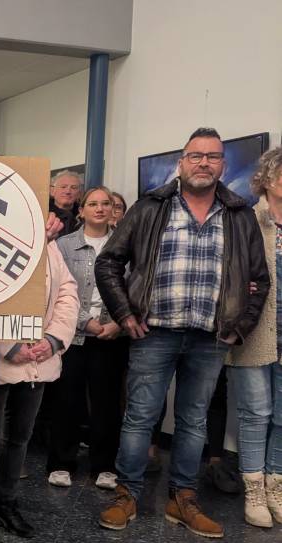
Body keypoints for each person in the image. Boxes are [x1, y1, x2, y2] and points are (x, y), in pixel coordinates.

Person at [96, 127, 270, 538]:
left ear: (222, 165)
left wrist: (240, 327)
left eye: (212, 156)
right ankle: (127, 494)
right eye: (195, 155)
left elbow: (259, 280)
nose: (203, 163)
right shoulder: (150, 206)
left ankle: (182, 498)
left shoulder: (239, 214)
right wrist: (124, 314)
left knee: (193, 422)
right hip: (153, 332)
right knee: (140, 417)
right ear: (182, 161)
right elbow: (109, 262)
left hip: (211, 339)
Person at [0, 236, 78, 539]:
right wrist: (7, 344)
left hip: (38, 358)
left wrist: (52, 339)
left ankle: (5, 502)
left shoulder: (46, 241)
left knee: (19, 438)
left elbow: (67, 291)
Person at [47, 187, 129, 492]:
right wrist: (87, 322)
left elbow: (134, 287)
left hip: (112, 335)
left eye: (106, 203)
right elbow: (56, 289)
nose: (100, 208)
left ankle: (105, 466)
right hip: (73, 336)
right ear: (81, 211)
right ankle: (60, 463)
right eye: (92, 203)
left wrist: (119, 324)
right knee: (66, 401)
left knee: (107, 404)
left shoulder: (126, 244)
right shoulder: (64, 245)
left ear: (113, 209)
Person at [227, 145, 282, 527]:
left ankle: (276, 484)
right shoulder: (248, 218)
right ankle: (254, 490)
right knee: (255, 413)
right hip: (256, 330)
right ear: (269, 178)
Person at [49, 170, 83, 237]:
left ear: (79, 194)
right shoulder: (43, 213)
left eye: (73, 188)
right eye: (63, 187)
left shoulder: (84, 216)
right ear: (52, 191)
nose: (68, 191)